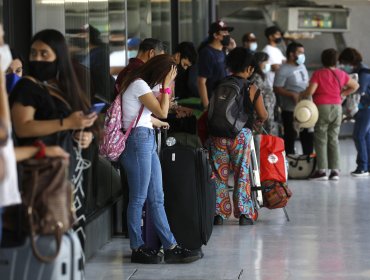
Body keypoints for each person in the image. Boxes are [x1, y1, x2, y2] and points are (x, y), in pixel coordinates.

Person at [118, 54, 201, 264]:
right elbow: (163, 111)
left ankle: (170, 246)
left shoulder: (142, 85)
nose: (171, 82)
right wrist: (165, 86)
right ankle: (137, 247)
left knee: (157, 198)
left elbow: (145, 115)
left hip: (145, 139)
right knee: (139, 198)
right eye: (170, 76)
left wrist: (158, 123)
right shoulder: (139, 85)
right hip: (138, 142)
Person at [10, 29, 97, 176]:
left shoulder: (58, 87)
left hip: (66, 168)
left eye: (44, 54)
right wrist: (68, 123)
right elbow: (22, 128)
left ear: (59, 56)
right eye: (33, 53)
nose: (37, 59)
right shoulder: (27, 86)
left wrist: (83, 135)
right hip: (39, 172)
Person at [209, 47, 268, 226]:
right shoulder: (251, 87)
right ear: (250, 68)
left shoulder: (220, 84)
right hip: (240, 136)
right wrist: (256, 124)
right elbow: (263, 114)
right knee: (242, 173)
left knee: (219, 175)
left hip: (217, 135)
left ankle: (218, 213)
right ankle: (243, 213)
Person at [301, 49, 359, 180]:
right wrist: (342, 94)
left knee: (321, 137)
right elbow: (355, 85)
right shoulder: (341, 73)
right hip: (337, 108)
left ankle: (321, 171)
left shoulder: (319, 74)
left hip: (322, 107)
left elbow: (311, 90)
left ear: (323, 60)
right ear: (336, 61)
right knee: (333, 138)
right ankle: (334, 171)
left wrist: (303, 94)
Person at [274, 42, 313, 155]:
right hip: (290, 109)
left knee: (308, 136)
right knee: (290, 136)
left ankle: (308, 161)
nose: (302, 55)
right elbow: (276, 88)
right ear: (291, 54)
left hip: (305, 108)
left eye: (303, 53)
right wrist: (291, 94)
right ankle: (290, 162)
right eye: (300, 52)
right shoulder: (283, 70)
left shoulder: (302, 66)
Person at [339, 47, 370, 176]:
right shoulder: (358, 70)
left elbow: (359, 89)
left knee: (359, 135)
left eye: (344, 62)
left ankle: (362, 167)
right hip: (363, 108)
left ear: (349, 60)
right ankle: (366, 166)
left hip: (365, 108)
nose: (343, 66)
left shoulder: (363, 72)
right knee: (366, 136)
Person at [198, 20, 234, 109]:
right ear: (215, 35)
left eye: (228, 32)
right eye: (224, 32)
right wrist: (207, 106)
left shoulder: (223, 51)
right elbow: (201, 81)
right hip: (213, 101)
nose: (227, 35)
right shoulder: (207, 53)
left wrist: (233, 49)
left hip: (224, 99)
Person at [252, 51, 278, 135]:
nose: (268, 64)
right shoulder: (256, 78)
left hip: (268, 114)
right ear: (259, 62)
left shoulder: (262, 76)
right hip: (262, 116)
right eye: (266, 61)